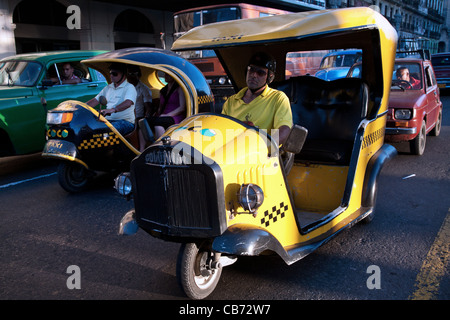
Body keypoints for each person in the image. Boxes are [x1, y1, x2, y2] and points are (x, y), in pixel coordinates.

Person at [221, 52, 292, 145]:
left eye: (260, 72)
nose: (254, 75)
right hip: (233, 153)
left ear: (269, 77)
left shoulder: (278, 98)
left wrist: (261, 147)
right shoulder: (231, 101)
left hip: (262, 155)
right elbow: (221, 129)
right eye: (251, 70)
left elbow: (284, 130)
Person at [86, 63, 137, 136]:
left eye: (114, 74)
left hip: (125, 122)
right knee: (88, 129)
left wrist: (112, 110)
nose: (111, 76)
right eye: (110, 74)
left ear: (123, 75)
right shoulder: (108, 88)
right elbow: (95, 100)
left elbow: (128, 102)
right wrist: (80, 107)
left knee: (107, 131)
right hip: (108, 121)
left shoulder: (129, 87)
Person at [152, 73, 186, 139]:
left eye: (168, 74)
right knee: (143, 121)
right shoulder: (163, 90)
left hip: (175, 117)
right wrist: (156, 114)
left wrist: (167, 115)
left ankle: (162, 147)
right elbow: (160, 108)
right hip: (163, 116)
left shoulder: (179, 89)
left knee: (157, 123)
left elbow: (182, 108)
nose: (165, 76)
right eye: (165, 74)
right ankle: (142, 148)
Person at [127, 65, 153, 151]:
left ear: (138, 75)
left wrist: (144, 119)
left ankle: (139, 150)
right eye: (129, 74)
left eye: (133, 74)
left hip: (137, 117)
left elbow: (148, 107)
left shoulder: (143, 89)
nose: (131, 76)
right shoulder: (125, 87)